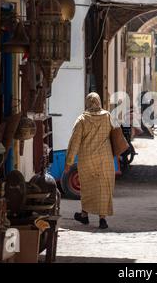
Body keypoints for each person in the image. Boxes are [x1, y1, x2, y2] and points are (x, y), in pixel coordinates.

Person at [64, 92, 115, 229]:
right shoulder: (107, 116)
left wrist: (68, 163)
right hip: (105, 159)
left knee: (87, 188)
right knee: (103, 188)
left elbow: (74, 142)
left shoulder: (82, 119)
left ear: (87, 103)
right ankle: (102, 219)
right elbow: (115, 133)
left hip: (87, 159)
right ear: (99, 102)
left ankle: (84, 215)